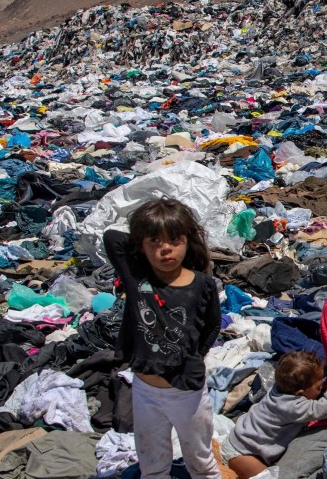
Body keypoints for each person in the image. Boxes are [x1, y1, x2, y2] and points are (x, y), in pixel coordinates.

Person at [103, 198, 222, 479]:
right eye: (155, 241)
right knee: (153, 466)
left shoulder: (201, 284)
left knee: (201, 463)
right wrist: (144, 236)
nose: (165, 248)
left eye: (174, 240)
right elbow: (112, 237)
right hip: (145, 389)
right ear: (141, 247)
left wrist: (195, 354)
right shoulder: (137, 278)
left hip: (187, 393)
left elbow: (213, 325)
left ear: (188, 242)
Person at [221, 350, 327, 479]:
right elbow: (322, 408)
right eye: (319, 388)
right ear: (299, 393)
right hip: (241, 453)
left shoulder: (278, 388)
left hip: (240, 440)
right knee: (269, 477)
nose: (320, 390)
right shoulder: (291, 407)